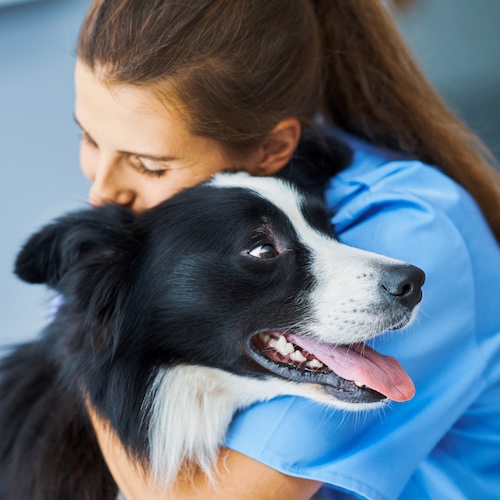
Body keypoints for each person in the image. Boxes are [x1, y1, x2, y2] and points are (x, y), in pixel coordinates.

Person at [72, 0, 500, 498]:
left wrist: (95, 332)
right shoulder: (167, 226)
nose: (101, 192)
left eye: (150, 165)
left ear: (274, 150)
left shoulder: (412, 229)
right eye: (90, 138)